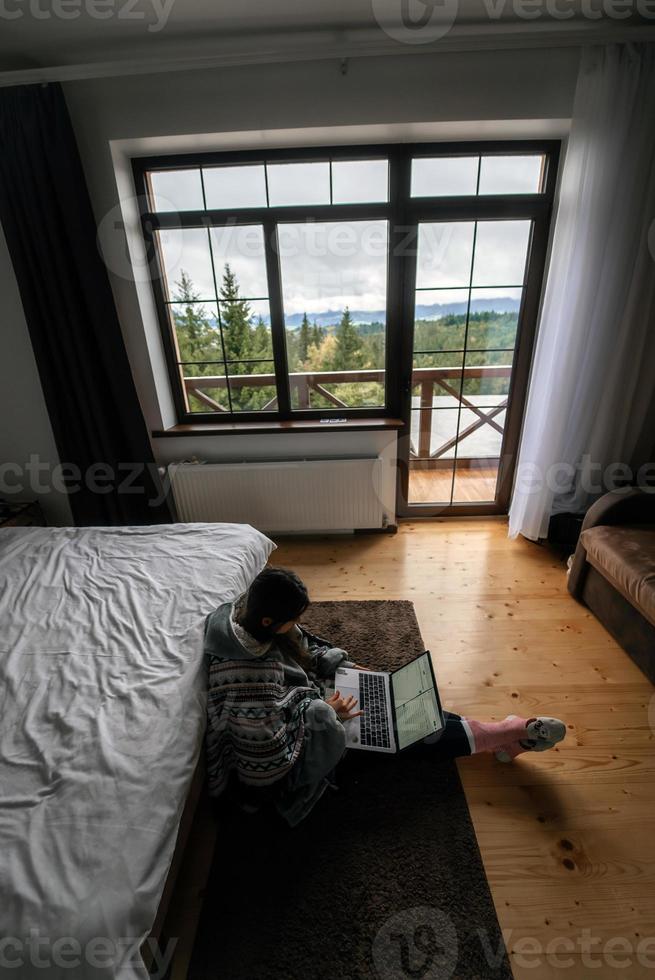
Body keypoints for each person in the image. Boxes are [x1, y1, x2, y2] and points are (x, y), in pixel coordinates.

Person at [204, 568, 566, 827]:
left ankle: (502, 735)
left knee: (398, 702)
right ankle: (507, 733)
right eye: (292, 618)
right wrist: (324, 715)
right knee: (402, 730)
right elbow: (267, 771)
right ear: (268, 622)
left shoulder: (250, 614)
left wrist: (342, 666)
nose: (297, 624)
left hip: (319, 701)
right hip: (306, 754)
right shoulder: (246, 680)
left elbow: (303, 644)